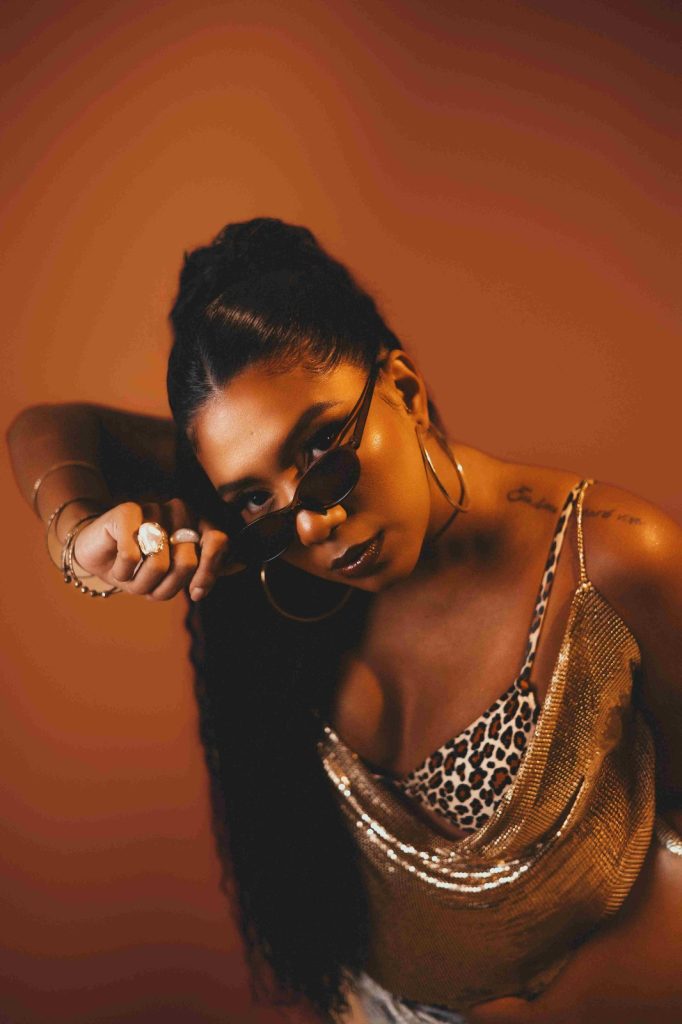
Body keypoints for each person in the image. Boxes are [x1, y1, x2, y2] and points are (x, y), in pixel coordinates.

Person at [6, 218, 682, 1024]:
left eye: (325, 449)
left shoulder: (612, 561)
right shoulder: (265, 535)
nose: (312, 523)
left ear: (404, 389)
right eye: (254, 497)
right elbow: (45, 429)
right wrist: (82, 539)